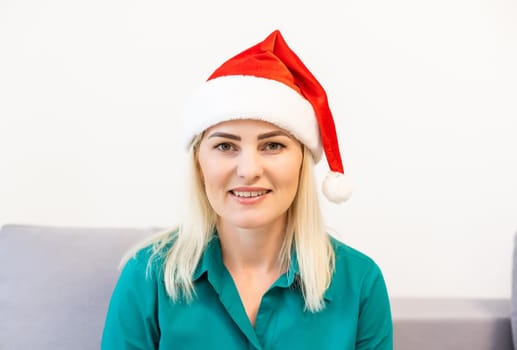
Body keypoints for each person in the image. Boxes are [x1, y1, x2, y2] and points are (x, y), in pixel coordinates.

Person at [101, 30, 393, 349]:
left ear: (301, 161)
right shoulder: (147, 276)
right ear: (199, 162)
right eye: (226, 145)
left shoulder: (360, 281)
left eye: (272, 145)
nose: (249, 170)